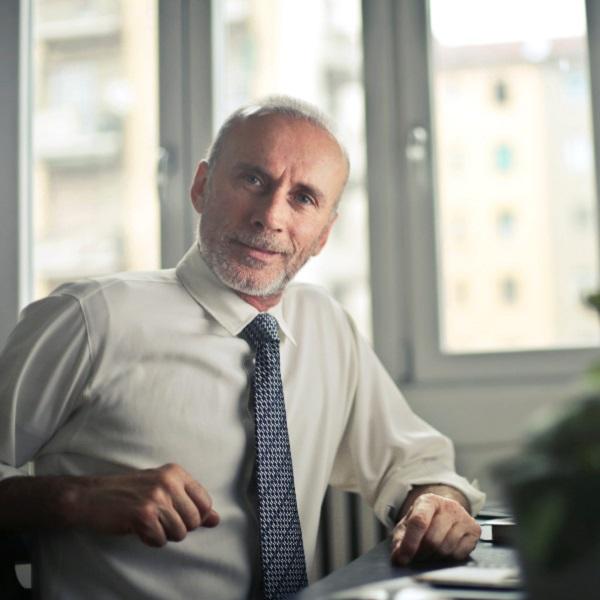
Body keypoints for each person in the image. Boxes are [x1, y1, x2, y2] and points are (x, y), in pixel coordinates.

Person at [0, 97, 485, 599]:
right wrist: (75, 498)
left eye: (303, 199)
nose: (270, 216)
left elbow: (414, 466)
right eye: (253, 179)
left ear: (323, 235)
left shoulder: (327, 325)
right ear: (201, 185)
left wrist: (436, 502)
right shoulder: (91, 318)